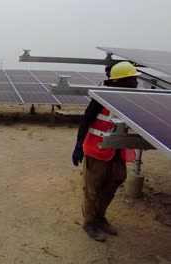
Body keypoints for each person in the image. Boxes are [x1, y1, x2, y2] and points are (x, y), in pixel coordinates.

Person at [72, 61, 140, 241]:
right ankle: (89, 223)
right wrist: (78, 145)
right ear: (119, 81)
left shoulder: (130, 96)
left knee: (115, 182)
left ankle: (100, 218)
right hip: (97, 149)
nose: (136, 83)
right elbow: (86, 119)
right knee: (93, 189)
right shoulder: (102, 95)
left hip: (118, 150)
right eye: (131, 79)